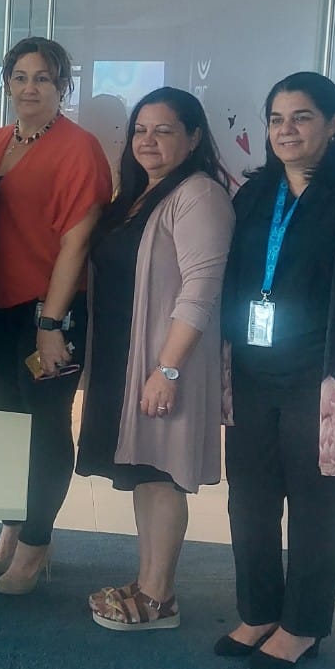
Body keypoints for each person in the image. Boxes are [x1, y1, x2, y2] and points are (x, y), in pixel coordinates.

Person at [217, 72, 335, 668]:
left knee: (317, 505)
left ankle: (302, 625)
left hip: (324, 379)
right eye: (276, 119)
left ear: (334, 124)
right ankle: (258, 612)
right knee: (250, 499)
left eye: (301, 117)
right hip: (252, 370)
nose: (285, 130)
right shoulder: (254, 195)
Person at [76, 88, 233, 630]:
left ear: (194, 137)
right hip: (126, 358)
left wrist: (167, 369)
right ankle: (147, 582)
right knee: (143, 471)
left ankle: (160, 596)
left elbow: (201, 290)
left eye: (164, 130)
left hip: (165, 362)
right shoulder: (139, 195)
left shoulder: (199, 195)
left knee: (163, 473)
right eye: (141, 130)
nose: (148, 141)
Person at [0, 38, 112, 594]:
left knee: (46, 425)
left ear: (62, 87)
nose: (30, 88)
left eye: (44, 78)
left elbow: (77, 243)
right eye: (20, 77)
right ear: (7, 83)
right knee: (9, 422)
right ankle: (13, 526)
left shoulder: (80, 149)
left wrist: (50, 324)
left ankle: (36, 544)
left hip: (50, 313)